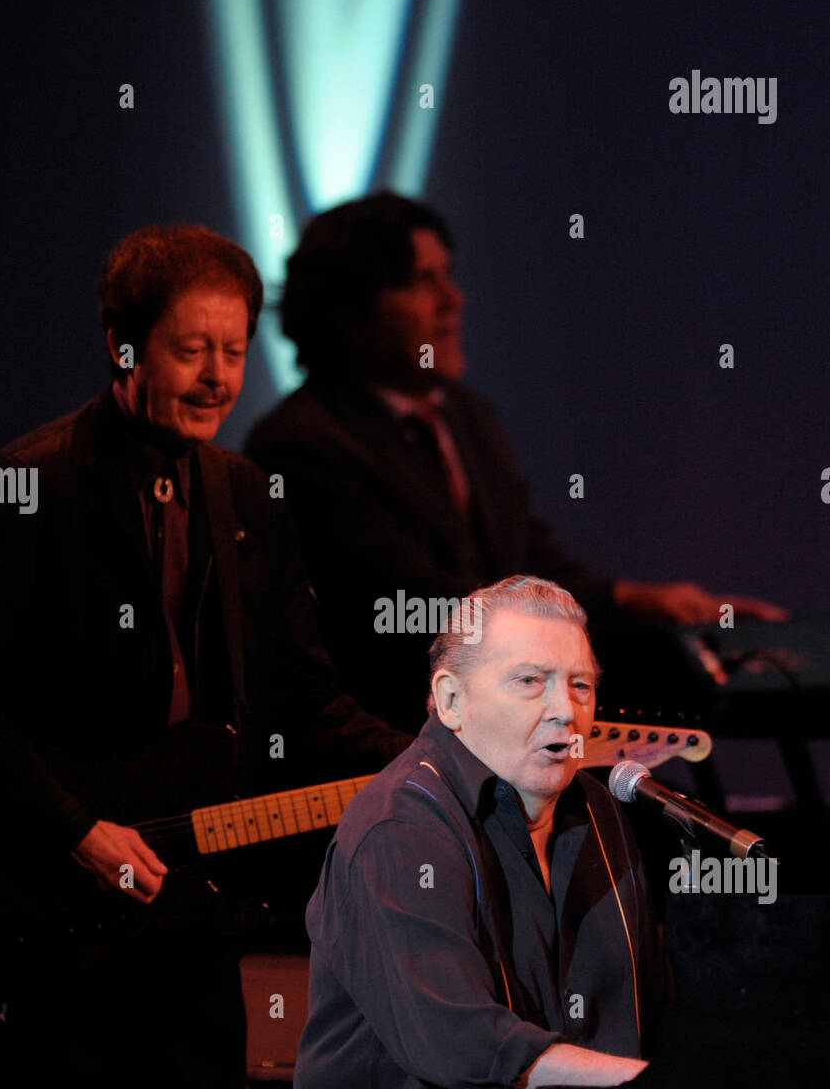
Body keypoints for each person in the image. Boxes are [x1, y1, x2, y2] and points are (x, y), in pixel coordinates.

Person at [0, 224, 407, 1089]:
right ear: (122, 348)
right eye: (191, 348)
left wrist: (432, 758)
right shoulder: (28, 485)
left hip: (184, 928)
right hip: (39, 928)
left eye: (235, 348)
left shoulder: (245, 496)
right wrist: (77, 829)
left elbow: (308, 698)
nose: (220, 375)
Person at [246, 191, 783, 733]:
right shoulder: (301, 444)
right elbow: (415, 605)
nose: (453, 299)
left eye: (447, 275)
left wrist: (642, 600)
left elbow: (526, 556)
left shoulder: (466, 416)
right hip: (406, 747)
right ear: (348, 310)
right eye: (420, 281)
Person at [294, 575, 673, 1089]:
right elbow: (463, 1043)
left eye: (581, 686)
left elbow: (659, 1007)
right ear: (450, 701)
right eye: (531, 681)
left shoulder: (602, 816)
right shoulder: (399, 825)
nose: (567, 711)